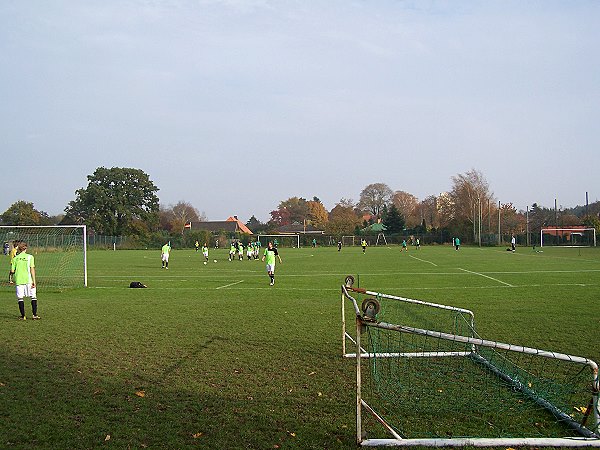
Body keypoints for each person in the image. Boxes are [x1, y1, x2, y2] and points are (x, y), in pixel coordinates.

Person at [10, 241, 39, 320]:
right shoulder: (30, 257)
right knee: (33, 297)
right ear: (26, 248)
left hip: (19, 280)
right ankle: (34, 315)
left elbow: (12, 271)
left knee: (20, 298)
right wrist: (34, 281)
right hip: (29, 280)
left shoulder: (15, 259)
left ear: (19, 249)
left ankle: (23, 316)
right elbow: (32, 269)